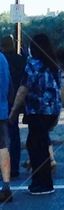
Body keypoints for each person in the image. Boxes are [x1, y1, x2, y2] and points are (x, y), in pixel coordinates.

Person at [9, 33, 61, 196]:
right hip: (51, 110)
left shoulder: (33, 64)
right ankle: (44, 182)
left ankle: (41, 182)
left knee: (35, 146)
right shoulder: (54, 65)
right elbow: (58, 89)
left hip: (37, 110)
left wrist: (13, 111)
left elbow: (23, 88)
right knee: (42, 145)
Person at [0, 37, 24, 182]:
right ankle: (11, 171)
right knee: (10, 137)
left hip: (6, 102)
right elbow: (11, 85)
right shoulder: (18, 60)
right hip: (8, 104)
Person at [0, 42, 12, 203]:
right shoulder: (2, 58)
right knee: (2, 147)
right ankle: (6, 185)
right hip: (2, 108)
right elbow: (9, 83)